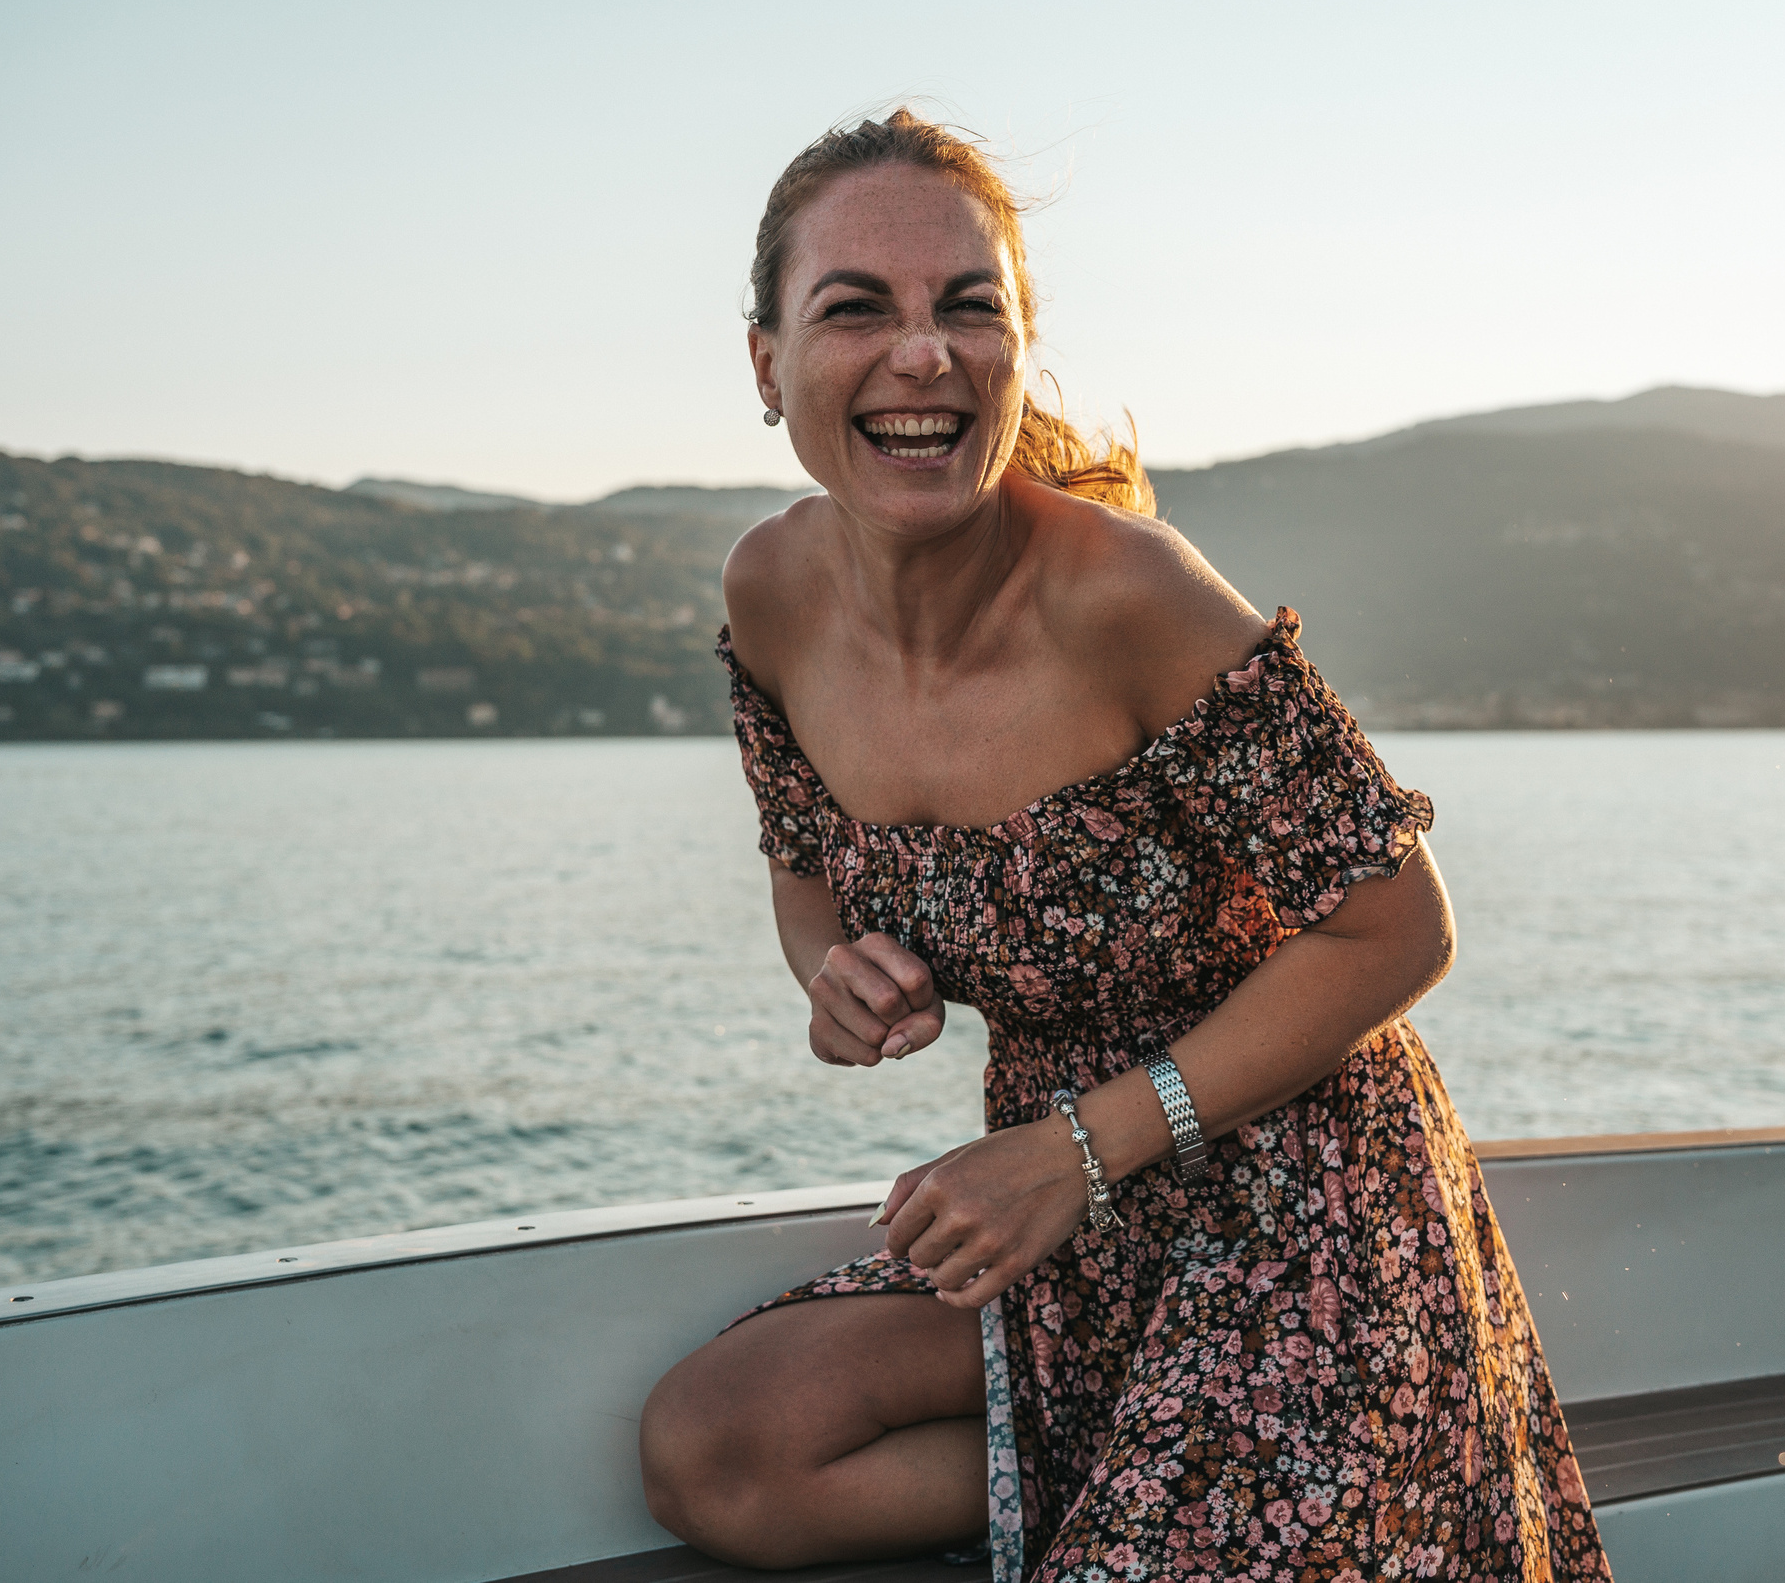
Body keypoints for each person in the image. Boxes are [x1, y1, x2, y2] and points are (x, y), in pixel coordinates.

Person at [640, 109, 1611, 1583]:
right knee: (721, 1453)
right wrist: (832, 971)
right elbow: (801, 861)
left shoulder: (1130, 595)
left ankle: (1224, 1479)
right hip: (1058, 1225)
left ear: (1020, 344)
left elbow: (1401, 925)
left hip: (1304, 1210)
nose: (924, 354)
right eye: (857, 308)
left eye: (971, 306)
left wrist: (1079, 1151)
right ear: (767, 364)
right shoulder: (771, 590)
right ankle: (1134, 1470)